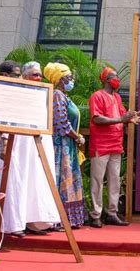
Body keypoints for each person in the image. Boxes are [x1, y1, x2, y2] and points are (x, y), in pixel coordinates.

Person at [0, 62, 60, 237]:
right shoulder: (13, 93)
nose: (38, 78)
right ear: (24, 77)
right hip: (18, 143)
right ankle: (13, 222)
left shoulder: (43, 94)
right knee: (17, 180)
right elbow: (5, 119)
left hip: (38, 143)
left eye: (40, 75)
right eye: (34, 75)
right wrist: (4, 141)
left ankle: (34, 221)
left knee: (36, 181)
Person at [88, 67, 140, 228]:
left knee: (114, 181)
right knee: (97, 181)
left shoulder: (117, 97)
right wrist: (121, 119)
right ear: (105, 79)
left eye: (117, 77)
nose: (117, 79)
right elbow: (97, 119)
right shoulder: (97, 96)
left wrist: (130, 119)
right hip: (100, 145)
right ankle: (96, 215)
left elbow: (122, 116)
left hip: (115, 145)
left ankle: (111, 213)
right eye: (114, 77)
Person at [44, 62, 86, 229]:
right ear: (60, 79)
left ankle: (68, 219)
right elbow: (62, 123)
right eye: (69, 77)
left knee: (68, 180)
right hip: (61, 145)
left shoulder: (63, 95)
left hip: (68, 144)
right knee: (62, 180)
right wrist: (78, 137)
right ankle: (58, 218)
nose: (72, 80)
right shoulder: (57, 95)